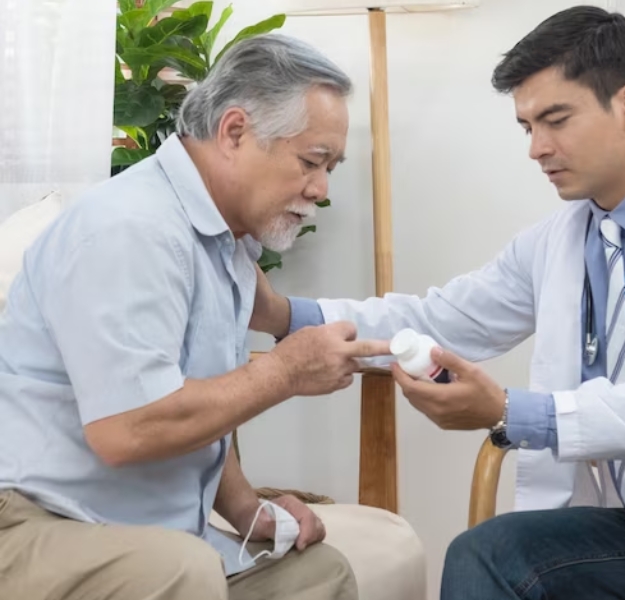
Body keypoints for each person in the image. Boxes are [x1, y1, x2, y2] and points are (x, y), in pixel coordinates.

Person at [259, 6, 625, 599]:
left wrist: (512, 411)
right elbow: (441, 320)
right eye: (526, 127)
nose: (537, 148)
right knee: (487, 554)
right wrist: (285, 316)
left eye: (556, 119)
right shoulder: (560, 241)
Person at [0, 34, 391, 600]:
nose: (321, 188)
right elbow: (128, 428)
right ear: (234, 131)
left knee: (319, 575)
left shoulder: (227, 244)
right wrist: (284, 371)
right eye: (311, 161)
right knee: (182, 569)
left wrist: (246, 506)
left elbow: (194, 396)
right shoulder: (131, 230)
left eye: (331, 165)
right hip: (33, 520)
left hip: (139, 529)